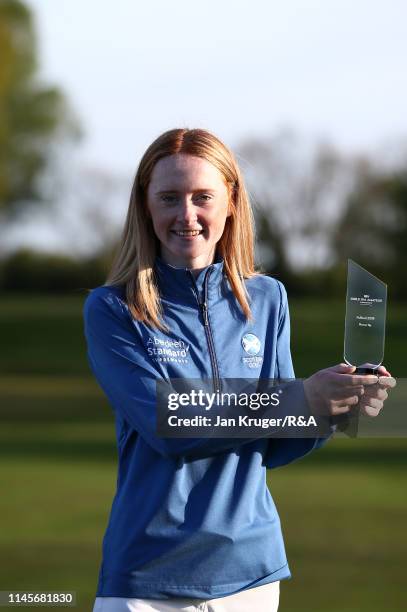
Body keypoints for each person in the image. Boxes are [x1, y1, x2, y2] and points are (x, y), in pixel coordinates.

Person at [83, 128, 394, 612]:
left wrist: (334, 407)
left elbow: (271, 444)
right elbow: (172, 423)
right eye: (169, 197)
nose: (186, 214)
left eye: (202, 196)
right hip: (147, 579)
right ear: (145, 205)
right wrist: (299, 399)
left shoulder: (268, 299)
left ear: (230, 201)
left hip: (251, 573)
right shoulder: (113, 309)